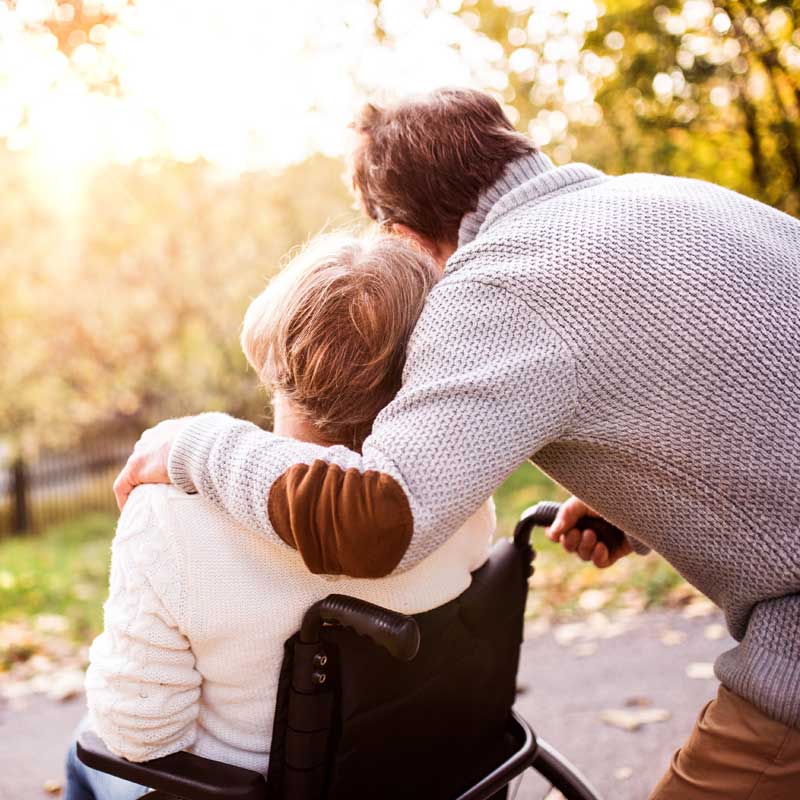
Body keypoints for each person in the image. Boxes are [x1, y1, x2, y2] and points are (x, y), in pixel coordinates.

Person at [114, 87, 800, 798]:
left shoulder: (500, 281)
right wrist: (635, 495)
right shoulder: (663, 198)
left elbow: (379, 521)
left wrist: (195, 445)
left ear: (402, 239)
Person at [65, 231, 494, 799]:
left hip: (249, 790)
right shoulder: (452, 491)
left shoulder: (170, 517)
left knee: (86, 750)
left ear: (274, 356)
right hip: (419, 772)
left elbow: (139, 734)